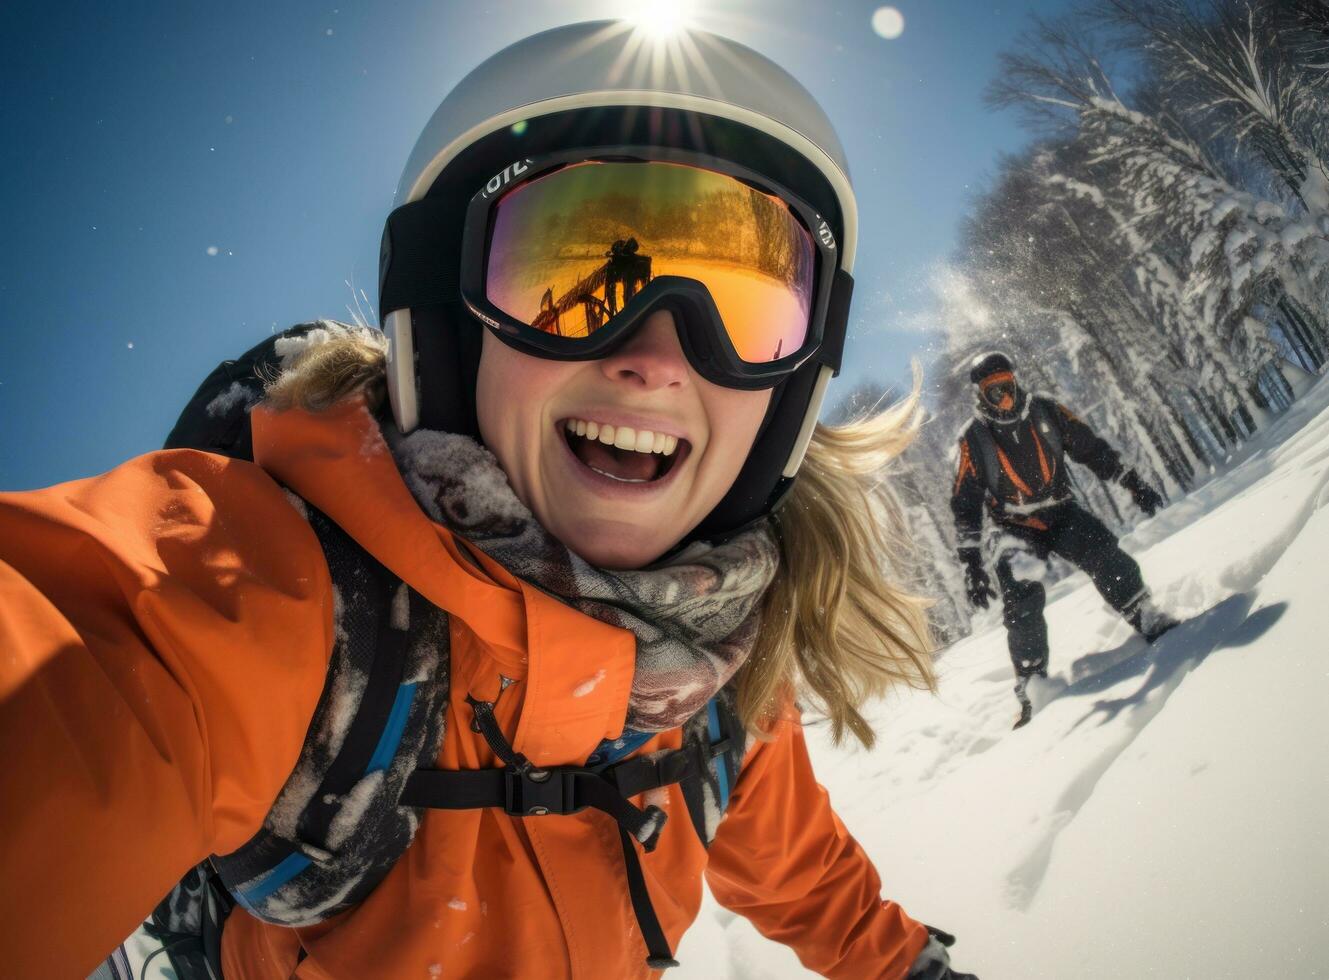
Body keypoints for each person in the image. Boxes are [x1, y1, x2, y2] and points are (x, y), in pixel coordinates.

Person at [0, 21, 978, 980]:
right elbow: (76, 658)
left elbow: (799, 868)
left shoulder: (723, 691)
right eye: (571, 274)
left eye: (751, 308)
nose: (653, 358)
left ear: (789, 398)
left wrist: (907, 965)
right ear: (449, 330)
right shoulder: (266, 596)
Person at [950, 352, 1177, 728]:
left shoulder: (1046, 412)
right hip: (1013, 527)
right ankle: (1031, 682)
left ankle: (1144, 613)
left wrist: (1132, 482)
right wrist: (971, 563)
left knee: (1104, 552)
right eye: (994, 394)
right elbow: (965, 503)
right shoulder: (974, 439)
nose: (1004, 400)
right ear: (981, 396)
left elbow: (1092, 449)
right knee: (1021, 594)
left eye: (1007, 388)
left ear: (1015, 381)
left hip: (1061, 511)